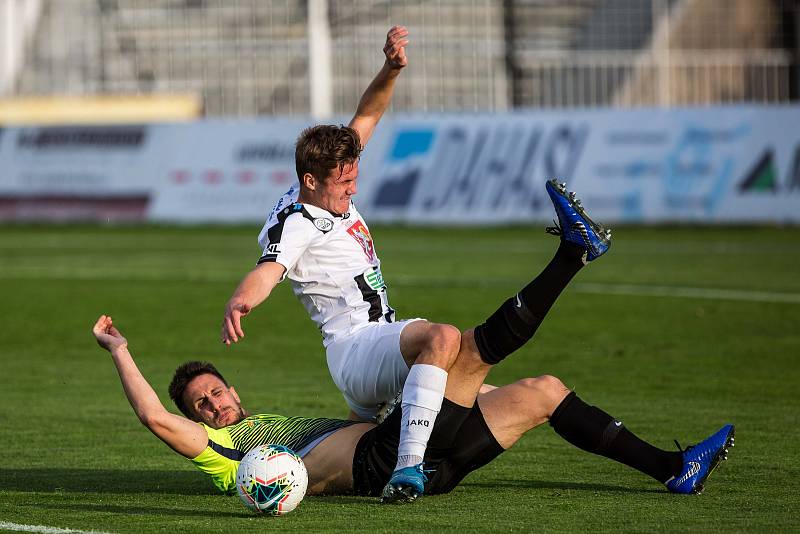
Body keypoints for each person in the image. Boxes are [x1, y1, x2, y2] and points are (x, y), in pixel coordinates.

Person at [99, 182, 734, 501]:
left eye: (213, 394)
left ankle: (676, 470)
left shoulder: (275, 424)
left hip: (429, 458)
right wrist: (122, 350)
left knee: (544, 391)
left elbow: (353, 421)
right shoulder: (225, 452)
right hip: (387, 462)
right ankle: (572, 253)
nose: (213, 407)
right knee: (467, 347)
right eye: (202, 407)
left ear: (232, 388)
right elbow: (156, 417)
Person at [220, 24, 465, 500]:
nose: (353, 189)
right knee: (443, 337)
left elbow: (367, 113)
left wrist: (391, 68)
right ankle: (409, 469)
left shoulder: (327, 181)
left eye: (355, 176)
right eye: (344, 182)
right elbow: (269, 269)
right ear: (311, 180)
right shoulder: (299, 220)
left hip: (369, 349)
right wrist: (240, 300)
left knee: (483, 389)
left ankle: (281, 478)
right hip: (356, 347)